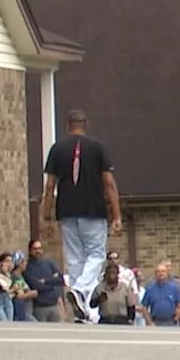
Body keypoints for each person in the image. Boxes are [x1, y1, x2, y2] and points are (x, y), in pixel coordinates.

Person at [40, 110, 122, 322]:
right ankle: (79, 290)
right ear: (85, 125)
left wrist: (46, 216)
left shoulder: (57, 149)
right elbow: (109, 182)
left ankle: (82, 311)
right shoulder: (97, 148)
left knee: (75, 259)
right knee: (95, 254)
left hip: (67, 209)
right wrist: (116, 214)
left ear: (68, 126)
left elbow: (49, 186)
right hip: (92, 208)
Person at [22, 239, 66, 323]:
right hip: (39, 308)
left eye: (40, 248)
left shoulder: (49, 263)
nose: (38, 251)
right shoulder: (27, 267)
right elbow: (36, 286)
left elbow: (61, 280)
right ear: (30, 251)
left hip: (54, 306)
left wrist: (45, 281)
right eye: (35, 249)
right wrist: (52, 281)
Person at [141, 261, 180, 326]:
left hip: (171, 322)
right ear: (155, 273)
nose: (160, 273)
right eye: (158, 271)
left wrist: (176, 318)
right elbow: (144, 307)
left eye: (163, 271)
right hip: (155, 322)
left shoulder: (175, 288)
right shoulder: (150, 288)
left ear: (167, 273)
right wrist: (149, 322)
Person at [9, 252, 39, 322]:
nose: (26, 263)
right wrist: (33, 293)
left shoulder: (21, 277)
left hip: (26, 311)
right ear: (19, 263)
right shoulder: (15, 278)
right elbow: (20, 296)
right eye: (24, 261)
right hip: (21, 313)